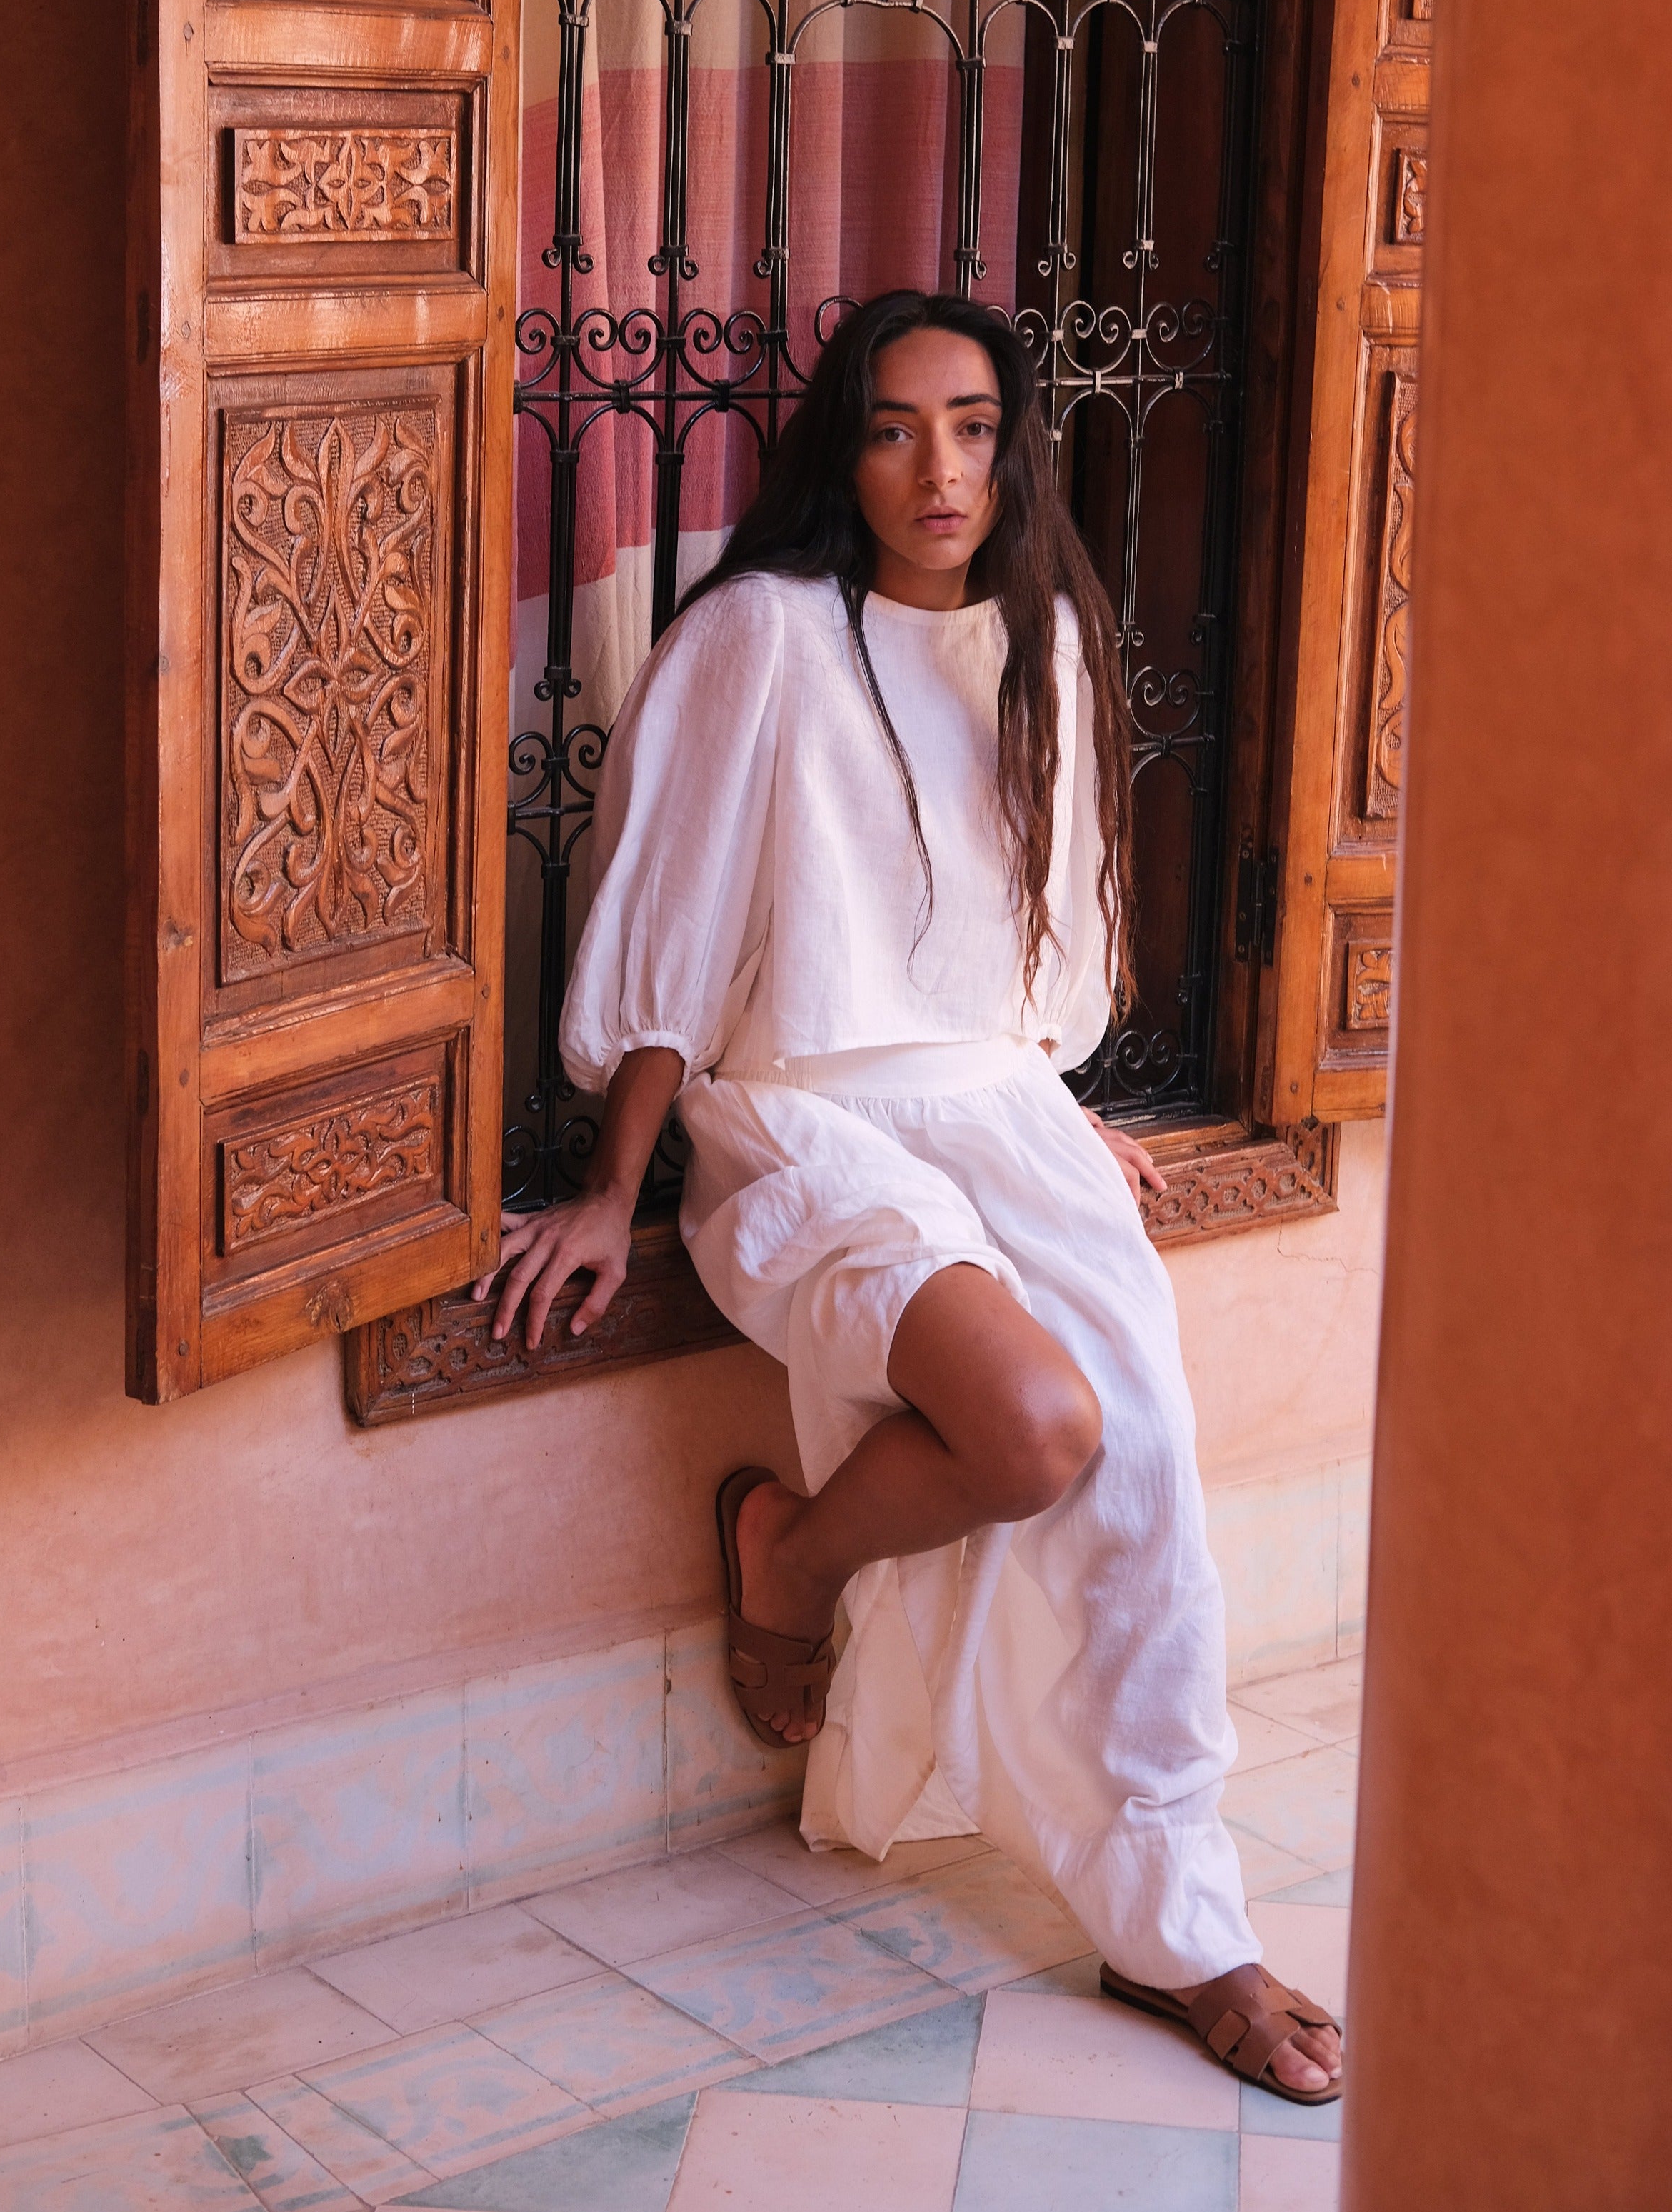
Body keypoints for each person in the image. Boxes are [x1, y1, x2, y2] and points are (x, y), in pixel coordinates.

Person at [477, 291, 1343, 2106]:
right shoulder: (766, 640)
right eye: (890, 427)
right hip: (804, 1128)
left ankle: (1182, 1928)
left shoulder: (1049, 649)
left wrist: (1049, 1102)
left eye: (969, 423)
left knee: (1149, 1486)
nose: (935, 466)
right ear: (840, 452)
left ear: (1014, 441)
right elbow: (683, 930)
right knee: (1037, 1429)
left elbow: (1036, 939)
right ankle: (786, 1556)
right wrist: (605, 1184)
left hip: (1000, 1115)